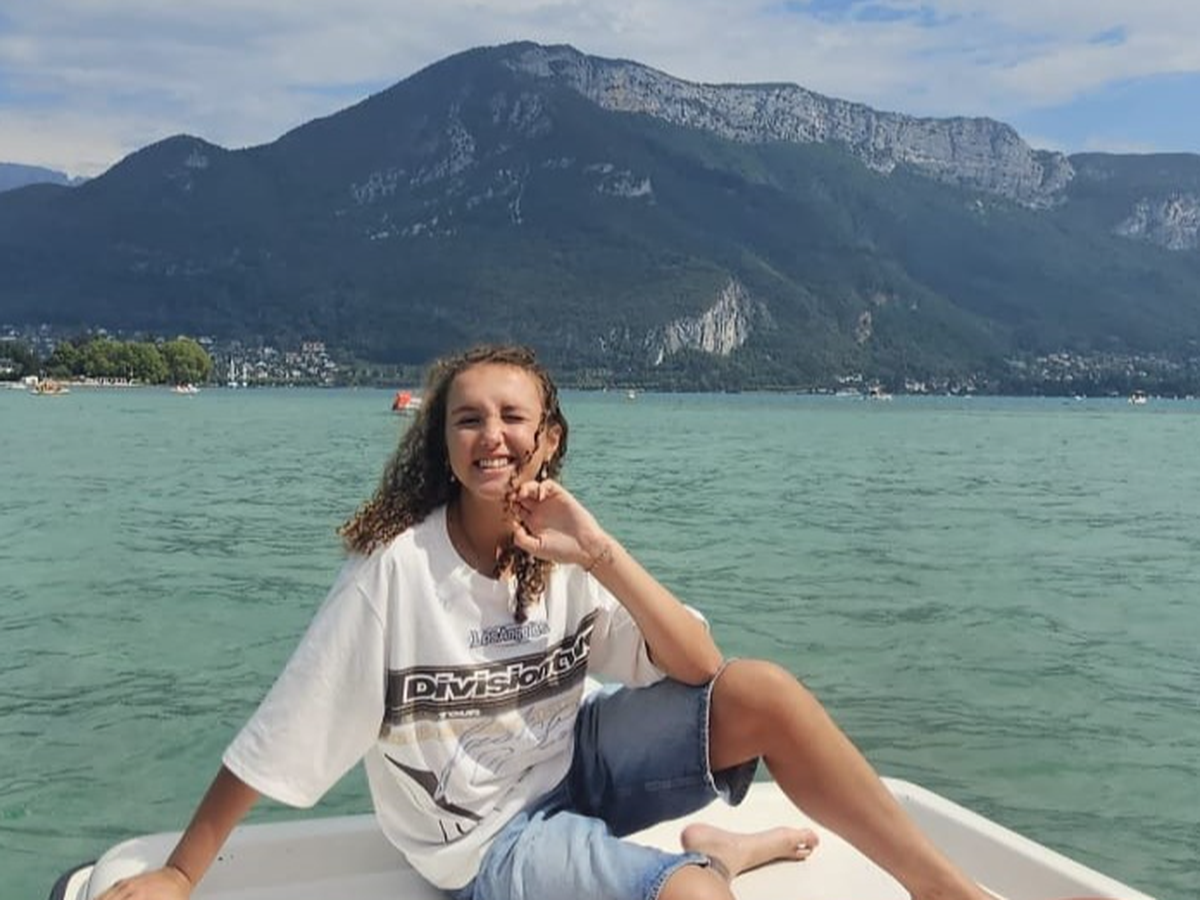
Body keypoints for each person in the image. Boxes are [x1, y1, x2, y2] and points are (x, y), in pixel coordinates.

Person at [97, 344, 999, 900]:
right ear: (444, 445)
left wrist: (598, 553)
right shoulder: (396, 574)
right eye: (467, 419)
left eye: (512, 416)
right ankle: (718, 857)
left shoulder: (560, 550)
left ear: (549, 438)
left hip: (576, 762)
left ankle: (941, 890)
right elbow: (277, 735)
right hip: (484, 841)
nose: (491, 434)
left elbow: (702, 666)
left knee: (764, 691)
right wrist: (180, 872)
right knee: (690, 895)